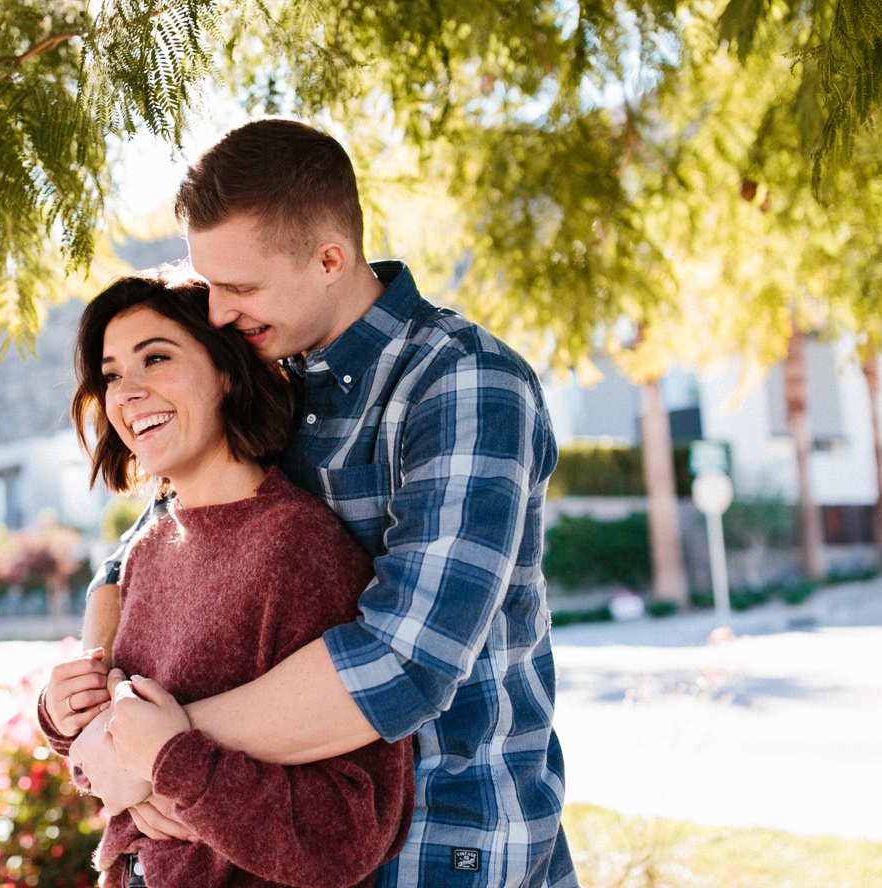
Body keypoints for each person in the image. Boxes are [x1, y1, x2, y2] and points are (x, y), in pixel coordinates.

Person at [88, 119, 578, 888]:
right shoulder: (272, 380)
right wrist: (94, 699)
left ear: (329, 259)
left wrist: (157, 749)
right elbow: (144, 553)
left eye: (241, 287)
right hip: (297, 847)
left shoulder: (462, 384)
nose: (216, 312)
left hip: (450, 841)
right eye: (208, 281)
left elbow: (401, 662)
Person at [36, 271, 413, 888]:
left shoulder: (296, 549)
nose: (127, 393)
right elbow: (117, 746)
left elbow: (348, 831)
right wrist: (65, 711)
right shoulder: (148, 548)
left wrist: (172, 764)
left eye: (155, 357)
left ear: (228, 370)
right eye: (110, 375)